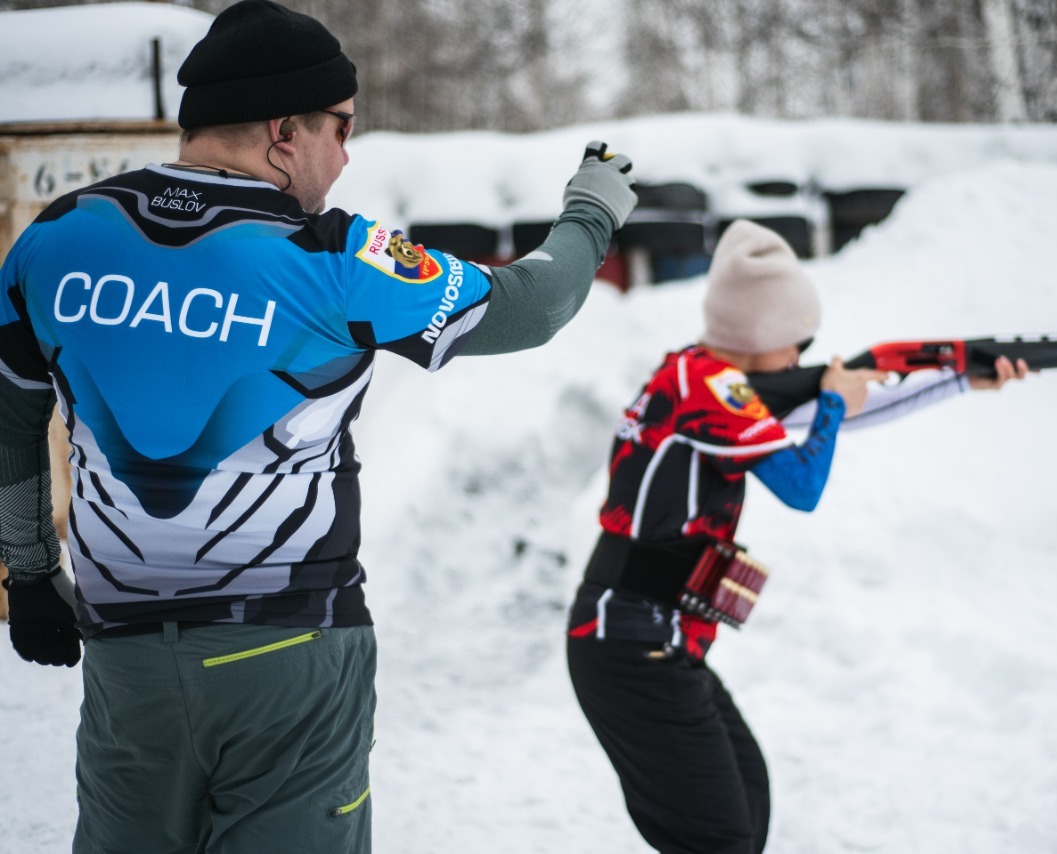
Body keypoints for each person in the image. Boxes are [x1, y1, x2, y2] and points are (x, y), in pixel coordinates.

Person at [0, 1, 636, 851]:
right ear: (282, 131)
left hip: (128, 661)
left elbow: (11, 416)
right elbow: (535, 304)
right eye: (341, 129)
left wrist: (31, 572)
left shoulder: (57, 238)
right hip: (290, 649)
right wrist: (591, 209)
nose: (343, 156)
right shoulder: (331, 256)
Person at [565, 219, 1027, 854]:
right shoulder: (708, 389)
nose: (801, 360)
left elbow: (832, 416)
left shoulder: (701, 378)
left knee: (745, 811)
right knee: (721, 836)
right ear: (760, 336)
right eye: (798, 345)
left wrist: (958, 378)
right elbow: (803, 481)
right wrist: (833, 402)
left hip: (653, 645)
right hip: (629, 648)